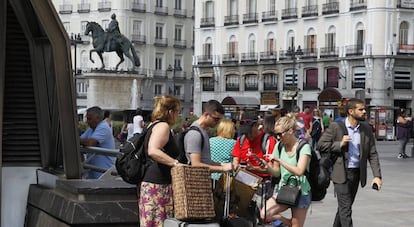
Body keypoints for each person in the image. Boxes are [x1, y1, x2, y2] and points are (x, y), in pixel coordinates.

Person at [316, 98, 383, 227]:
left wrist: (377, 176)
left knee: (344, 207)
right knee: (346, 208)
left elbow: (372, 153)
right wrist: (339, 144)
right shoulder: (336, 127)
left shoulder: (366, 129)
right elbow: (320, 145)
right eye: (361, 109)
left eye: (365, 109)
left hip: (356, 173)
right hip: (340, 173)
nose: (364, 112)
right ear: (351, 111)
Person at [139, 95, 185, 227]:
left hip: (152, 183)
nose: (178, 115)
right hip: (158, 186)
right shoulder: (163, 126)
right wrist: (175, 163)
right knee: (159, 223)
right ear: (170, 112)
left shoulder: (153, 125)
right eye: (178, 111)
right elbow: (153, 150)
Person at [260, 116, 312, 227]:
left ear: (290, 131)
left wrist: (279, 160)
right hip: (283, 189)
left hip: (301, 191)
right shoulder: (279, 146)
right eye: (276, 135)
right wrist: (266, 166)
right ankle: (289, 223)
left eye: (280, 134)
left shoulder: (304, 147)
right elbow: (277, 172)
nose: (278, 138)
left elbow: (299, 171)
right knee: (264, 214)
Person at [184, 100, 233, 172]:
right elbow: (196, 165)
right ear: (206, 115)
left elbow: (206, 161)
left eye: (219, 119)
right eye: (216, 119)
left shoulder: (203, 131)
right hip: (195, 181)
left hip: (203, 179)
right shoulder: (195, 134)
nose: (218, 122)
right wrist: (222, 168)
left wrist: (222, 165)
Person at [80, 106, 116, 179]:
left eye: (89, 119)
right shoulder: (91, 128)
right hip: (94, 172)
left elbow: (90, 143)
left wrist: (73, 140)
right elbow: (81, 139)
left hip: (103, 174)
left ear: (98, 118)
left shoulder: (103, 127)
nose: (87, 121)